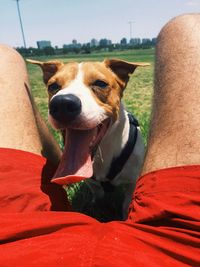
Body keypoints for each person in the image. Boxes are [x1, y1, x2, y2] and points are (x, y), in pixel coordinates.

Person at [0, 14, 199, 266]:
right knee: (188, 28)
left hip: (18, 236)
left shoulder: (134, 151)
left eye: (99, 84)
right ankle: (95, 190)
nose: (62, 100)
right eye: (54, 87)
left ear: (121, 82)